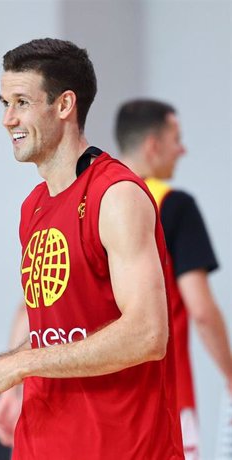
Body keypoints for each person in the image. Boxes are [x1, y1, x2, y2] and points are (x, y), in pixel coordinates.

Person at [0, 38, 184, 458]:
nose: (8, 119)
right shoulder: (34, 207)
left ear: (65, 105)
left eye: (22, 102)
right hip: (42, 442)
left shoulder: (116, 195)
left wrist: (18, 366)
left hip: (122, 447)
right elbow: (60, 331)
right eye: (4, 103)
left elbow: (147, 334)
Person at [116, 98, 232, 459]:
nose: (182, 150)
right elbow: (200, 309)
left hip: (103, 403)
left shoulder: (89, 204)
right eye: (176, 139)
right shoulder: (173, 205)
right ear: (153, 145)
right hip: (165, 399)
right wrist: (230, 374)